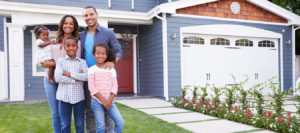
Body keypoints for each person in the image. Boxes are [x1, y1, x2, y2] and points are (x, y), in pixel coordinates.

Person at [80, 6, 122, 133]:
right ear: (84, 18)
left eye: (91, 14)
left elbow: (118, 51)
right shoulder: (81, 35)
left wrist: (112, 62)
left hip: (105, 78)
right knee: (90, 110)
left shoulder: (107, 32)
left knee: (107, 109)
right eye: (86, 16)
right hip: (89, 78)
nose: (89, 18)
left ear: (97, 15)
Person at [41, 14, 81, 133]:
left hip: (65, 82)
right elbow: (44, 61)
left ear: (74, 26)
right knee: (55, 113)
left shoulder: (76, 43)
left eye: (71, 23)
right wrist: (45, 63)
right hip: (50, 81)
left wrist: (53, 64)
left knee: (65, 115)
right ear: (61, 25)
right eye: (65, 23)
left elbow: (75, 64)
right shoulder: (53, 42)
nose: (68, 25)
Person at [88, 43, 124, 133]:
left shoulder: (111, 69)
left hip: (110, 101)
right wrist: (104, 101)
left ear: (107, 55)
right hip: (97, 102)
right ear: (94, 55)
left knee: (120, 123)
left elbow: (114, 86)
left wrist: (109, 101)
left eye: (103, 54)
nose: (100, 55)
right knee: (101, 127)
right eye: (98, 53)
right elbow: (92, 88)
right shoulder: (92, 69)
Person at [55, 36, 88, 133]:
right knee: (65, 125)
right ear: (64, 47)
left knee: (80, 124)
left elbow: (86, 77)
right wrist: (76, 78)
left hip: (79, 98)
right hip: (64, 97)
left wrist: (70, 74)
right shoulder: (61, 61)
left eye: (73, 45)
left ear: (77, 47)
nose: (71, 48)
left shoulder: (82, 62)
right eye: (68, 46)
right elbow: (58, 77)